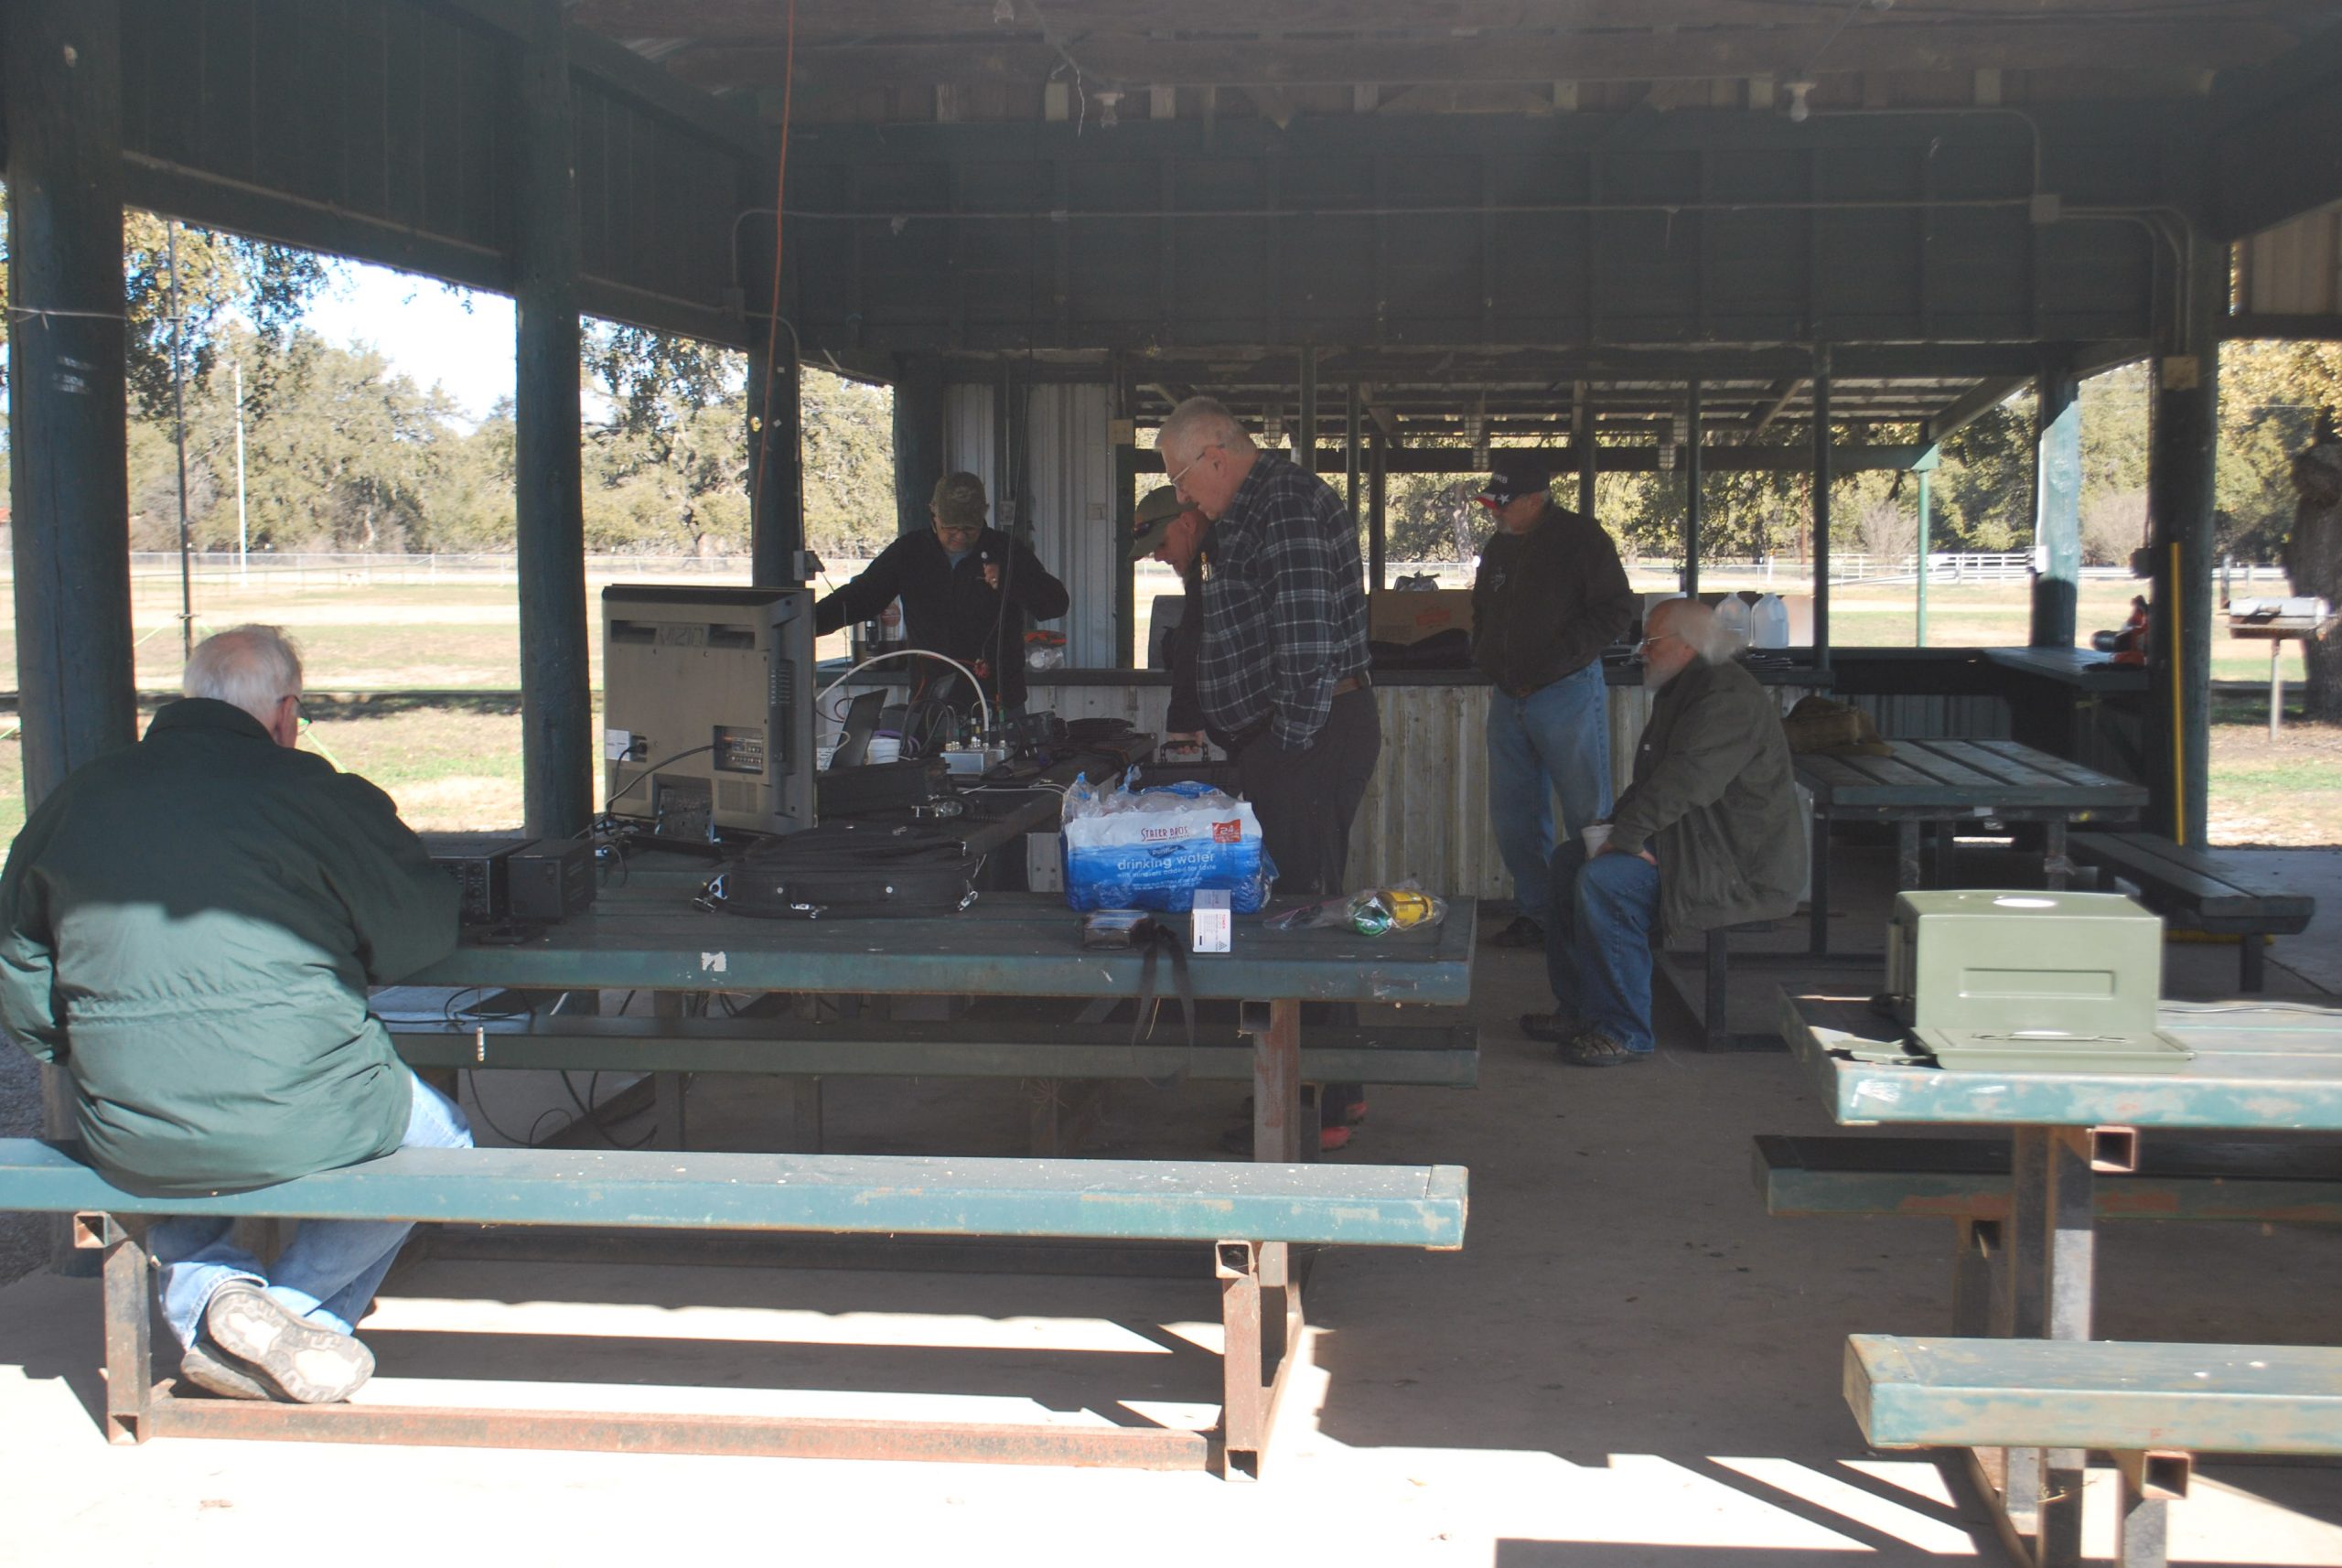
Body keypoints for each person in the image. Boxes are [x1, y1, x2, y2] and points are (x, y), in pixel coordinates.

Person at [0, 626, 471, 1403]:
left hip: (132, 1117)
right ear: (285, 712)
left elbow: (19, 964)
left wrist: (80, 1050)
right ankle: (294, 1311)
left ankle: (218, 1299)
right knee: (445, 1144)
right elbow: (416, 934)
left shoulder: (77, 798)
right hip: (312, 1106)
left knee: (171, 1142)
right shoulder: (320, 794)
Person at [1155, 396, 1379, 1144]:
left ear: (1215, 455)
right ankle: (1323, 1087)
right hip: (1292, 741)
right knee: (1303, 906)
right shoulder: (1253, 510)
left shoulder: (1282, 505)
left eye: (1181, 479)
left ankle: (1317, 1103)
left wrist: (1283, 748)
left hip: (1308, 740)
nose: (1184, 497)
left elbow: (1309, 646)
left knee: (1300, 919)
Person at [1523, 599, 1806, 1066]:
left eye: (1651, 642)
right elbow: (1655, 781)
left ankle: (1625, 1030)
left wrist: (1626, 838)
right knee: (1569, 861)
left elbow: (1687, 782)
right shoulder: (1687, 688)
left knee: (1606, 881)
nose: (1642, 652)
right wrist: (1614, 824)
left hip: (1731, 864)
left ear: (1689, 645)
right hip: (1691, 841)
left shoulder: (1725, 697)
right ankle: (1580, 1011)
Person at [1468, 453, 1638, 950]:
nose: (1495, 513)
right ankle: (1537, 914)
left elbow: (1616, 609)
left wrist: (1563, 655)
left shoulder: (1582, 539)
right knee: (1514, 817)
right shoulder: (1499, 546)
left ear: (1534, 500)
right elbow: (1482, 608)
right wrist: (1485, 653)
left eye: (1503, 504)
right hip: (1508, 696)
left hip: (1566, 691)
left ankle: (1598, 919)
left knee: (1588, 813)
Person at [814, 471, 1069, 718]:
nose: (960, 535)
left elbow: (1056, 604)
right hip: (930, 699)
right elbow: (860, 597)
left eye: (970, 529)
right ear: (933, 512)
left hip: (999, 701)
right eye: (950, 527)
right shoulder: (909, 552)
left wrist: (1011, 581)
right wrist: (807, 623)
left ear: (984, 513)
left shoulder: (1006, 550)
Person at [1129, 484, 1229, 754]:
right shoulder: (1213, 558)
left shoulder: (1212, 563)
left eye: (1161, 544)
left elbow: (1197, 636)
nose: (1159, 557)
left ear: (1187, 523)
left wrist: (1184, 718)